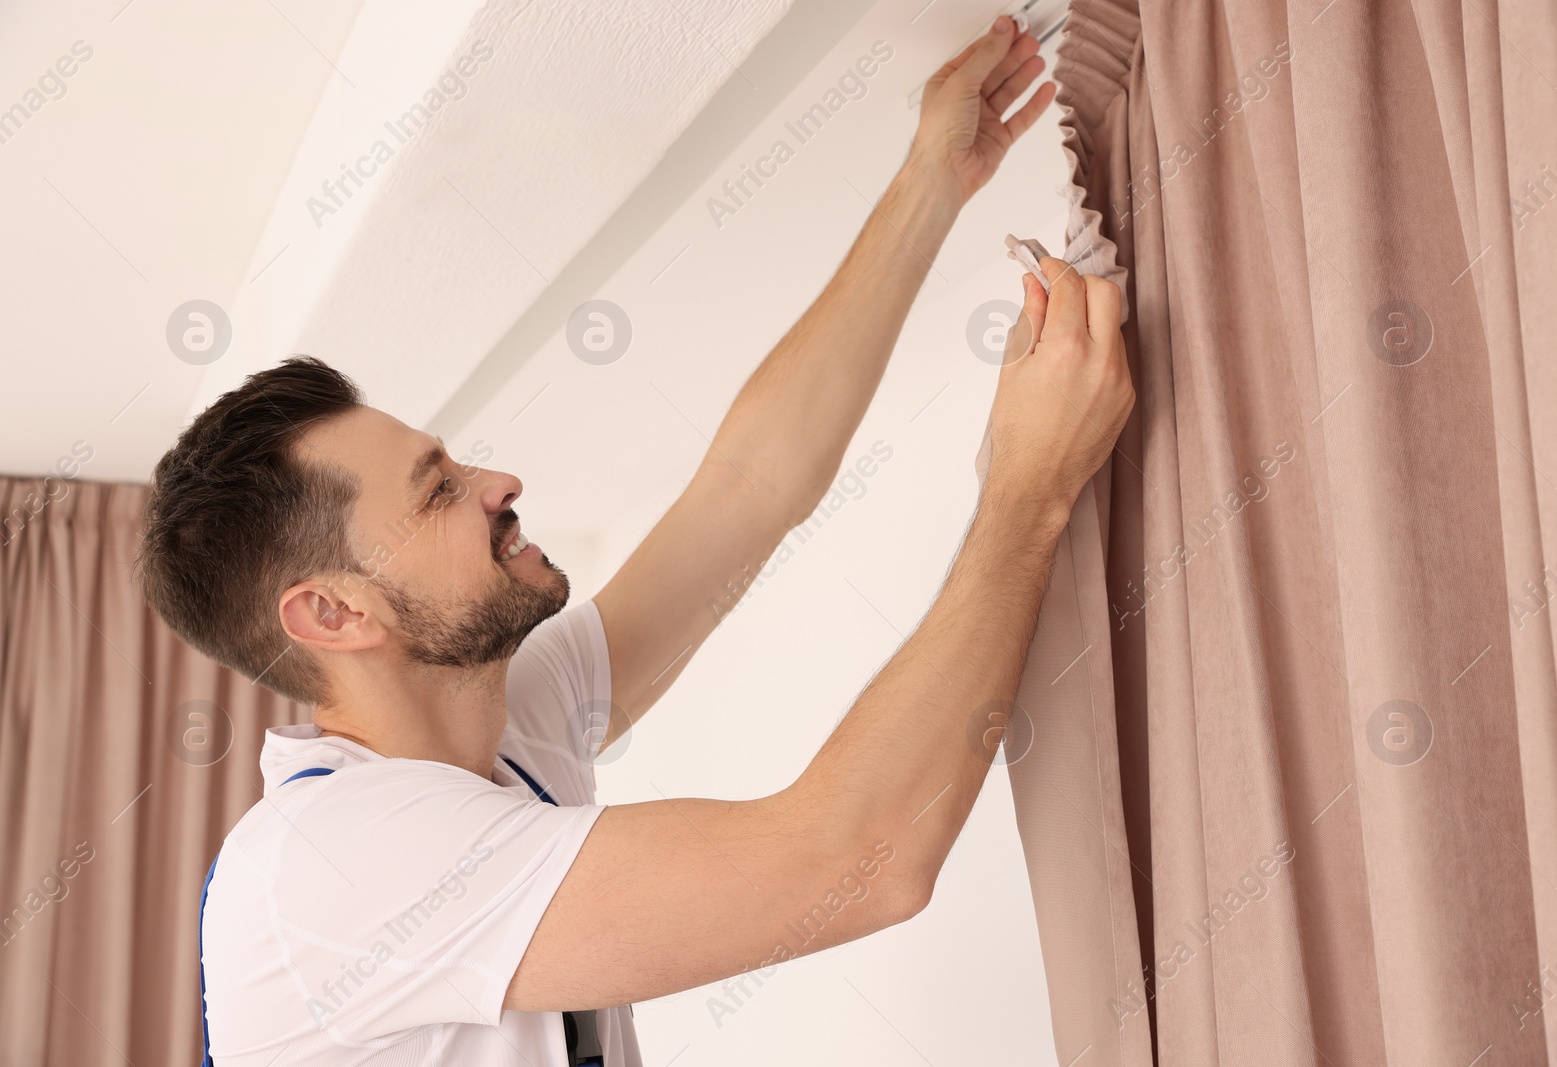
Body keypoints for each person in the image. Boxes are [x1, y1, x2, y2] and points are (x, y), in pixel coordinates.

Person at [139, 16, 1133, 1065]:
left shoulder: (500, 724)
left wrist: (934, 177)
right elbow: (856, 860)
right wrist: (1029, 495)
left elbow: (750, 486)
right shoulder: (329, 867)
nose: (500, 479)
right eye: (437, 491)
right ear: (335, 611)